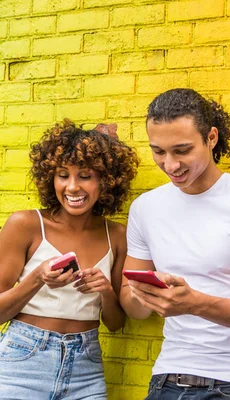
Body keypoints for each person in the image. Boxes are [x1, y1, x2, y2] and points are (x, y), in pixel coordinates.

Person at [119, 88, 230, 400]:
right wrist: (146, 295)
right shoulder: (144, 208)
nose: (170, 165)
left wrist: (194, 302)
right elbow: (133, 309)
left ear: (211, 138)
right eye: (159, 151)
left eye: (182, 150)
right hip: (165, 377)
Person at [0, 120, 138, 399]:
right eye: (63, 175)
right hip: (23, 362)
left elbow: (114, 323)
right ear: (50, 178)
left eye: (85, 176)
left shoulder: (117, 236)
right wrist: (38, 277)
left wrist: (106, 290)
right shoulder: (26, 224)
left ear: (106, 180)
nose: (72, 187)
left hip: (86, 368)